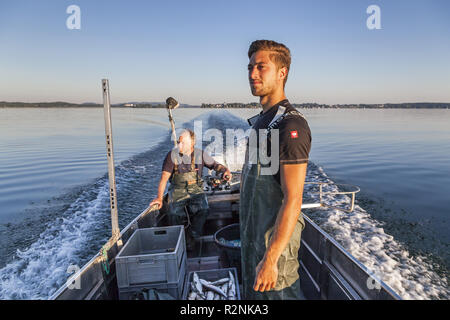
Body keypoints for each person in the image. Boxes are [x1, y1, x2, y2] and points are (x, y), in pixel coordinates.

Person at [240, 40, 312, 299]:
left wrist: (270, 260)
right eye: (249, 67)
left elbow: (294, 199)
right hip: (253, 242)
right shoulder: (262, 121)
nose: (252, 74)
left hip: (275, 254)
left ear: (282, 72)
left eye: (261, 67)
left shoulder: (290, 125)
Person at [150, 129, 232, 250]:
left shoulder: (200, 154)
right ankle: (178, 239)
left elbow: (216, 166)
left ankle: (192, 236)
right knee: (173, 213)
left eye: (182, 143)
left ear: (192, 143)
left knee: (203, 209)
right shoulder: (172, 156)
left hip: (196, 190)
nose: (179, 145)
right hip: (177, 190)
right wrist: (159, 197)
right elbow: (164, 178)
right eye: (178, 142)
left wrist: (225, 170)